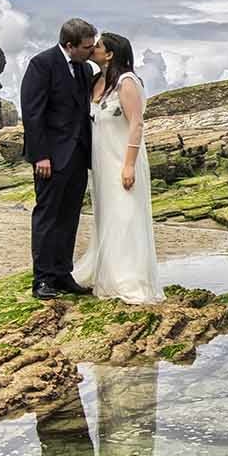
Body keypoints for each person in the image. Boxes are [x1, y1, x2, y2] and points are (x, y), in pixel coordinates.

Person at [71, 32, 164, 304]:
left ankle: (129, 279)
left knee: (126, 216)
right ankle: (107, 272)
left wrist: (129, 165)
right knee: (107, 215)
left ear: (110, 53)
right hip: (101, 162)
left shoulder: (127, 82)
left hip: (122, 160)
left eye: (97, 46)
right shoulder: (97, 81)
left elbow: (136, 124)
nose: (93, 49)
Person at [21, 18, 97, 299]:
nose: (91, 51)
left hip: (78, 154)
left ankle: (63, 275)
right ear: (70, 45)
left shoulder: (86, 68)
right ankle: (42, 279)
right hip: (50, 158)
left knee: (70, 216)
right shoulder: (42, 64)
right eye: (87, 47)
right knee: (47, 216)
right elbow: (32, 113)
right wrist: (40, 155)